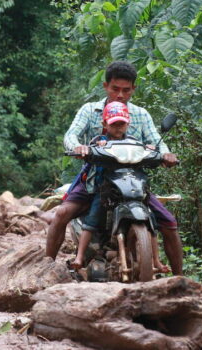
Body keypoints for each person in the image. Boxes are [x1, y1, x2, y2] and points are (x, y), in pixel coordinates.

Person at [46, 60, 183, 275]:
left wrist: (166, 154)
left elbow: (157, 141)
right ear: (105, 86)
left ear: (133, 90)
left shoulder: (141, 115)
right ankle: (45, 268)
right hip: (96, 179)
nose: (120, 95)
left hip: (132, 180)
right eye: (115, 89)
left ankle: (179, 280)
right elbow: (71, 135)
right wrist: (78, 147)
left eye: (126, 90)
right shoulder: (90, 110)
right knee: (62, 213)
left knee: (169, 222)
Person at [73, 101, 168, 272]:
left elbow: (145, 150)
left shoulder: (133, 142)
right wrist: (88, 149)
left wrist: (152, 150)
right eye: (114, 124)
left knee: (152, 220)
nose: (118, 128)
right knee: (93, 219)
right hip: (107, 188)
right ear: (105, 124)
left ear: (128, 123)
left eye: (121, 124)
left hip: (133, 185)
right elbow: (90, 149)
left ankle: (156, 261)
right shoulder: (99, 141)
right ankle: (79, 256)